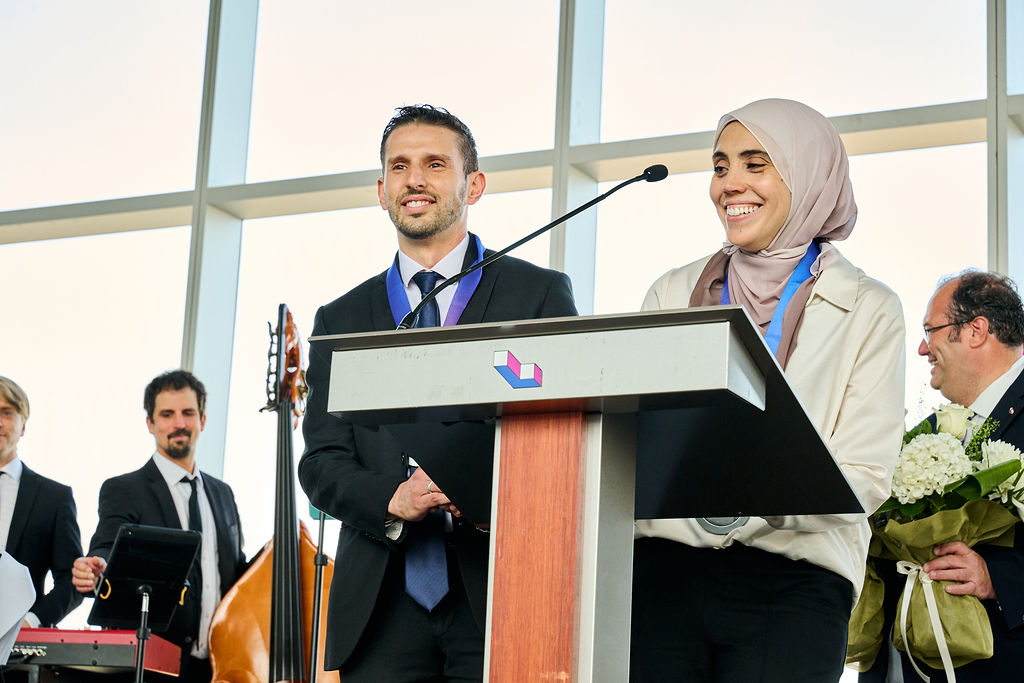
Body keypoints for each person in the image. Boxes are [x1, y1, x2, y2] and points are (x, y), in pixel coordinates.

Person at [298, 104, 577, 682]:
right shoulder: (340, 319)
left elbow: (565, 446)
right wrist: (390, 500)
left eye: (434, 164)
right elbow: (321, 462)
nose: (415, 180)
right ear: (381, 190)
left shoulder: (539, 295)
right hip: (378, 606)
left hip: (503, 595)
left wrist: (480, 490)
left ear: (472, 184)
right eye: (399, 166)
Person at [630, 98, 906, 682]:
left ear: (809, 176)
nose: (730, 184)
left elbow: (867, 473)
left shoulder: (870, 307)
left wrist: (756, 492)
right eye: (720, 165)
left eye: (756, 165)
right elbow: (640, 441)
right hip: (663, 573)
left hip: (795, 583)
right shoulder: (671, 292)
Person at [862, 270, 1024, 682]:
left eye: (930, 331)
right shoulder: (929, 430)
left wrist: (997, 580)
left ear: (975, 330)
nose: (921, 348)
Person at [71, 370, 247, 683]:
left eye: (188, 413)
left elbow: (233, 574)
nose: (179, 424)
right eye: (167, 415)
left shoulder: (223, 494)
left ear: (202, 420)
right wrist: (98, 565)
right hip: (151, 667)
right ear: (150, 424)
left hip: (217, 668)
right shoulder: (124, 489)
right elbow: (106, 548)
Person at [0, 375, 82, 629]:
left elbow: (71, 581)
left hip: (15, 657)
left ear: (23, 425)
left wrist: (31, 621)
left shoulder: (54, 498)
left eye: (6, 412)